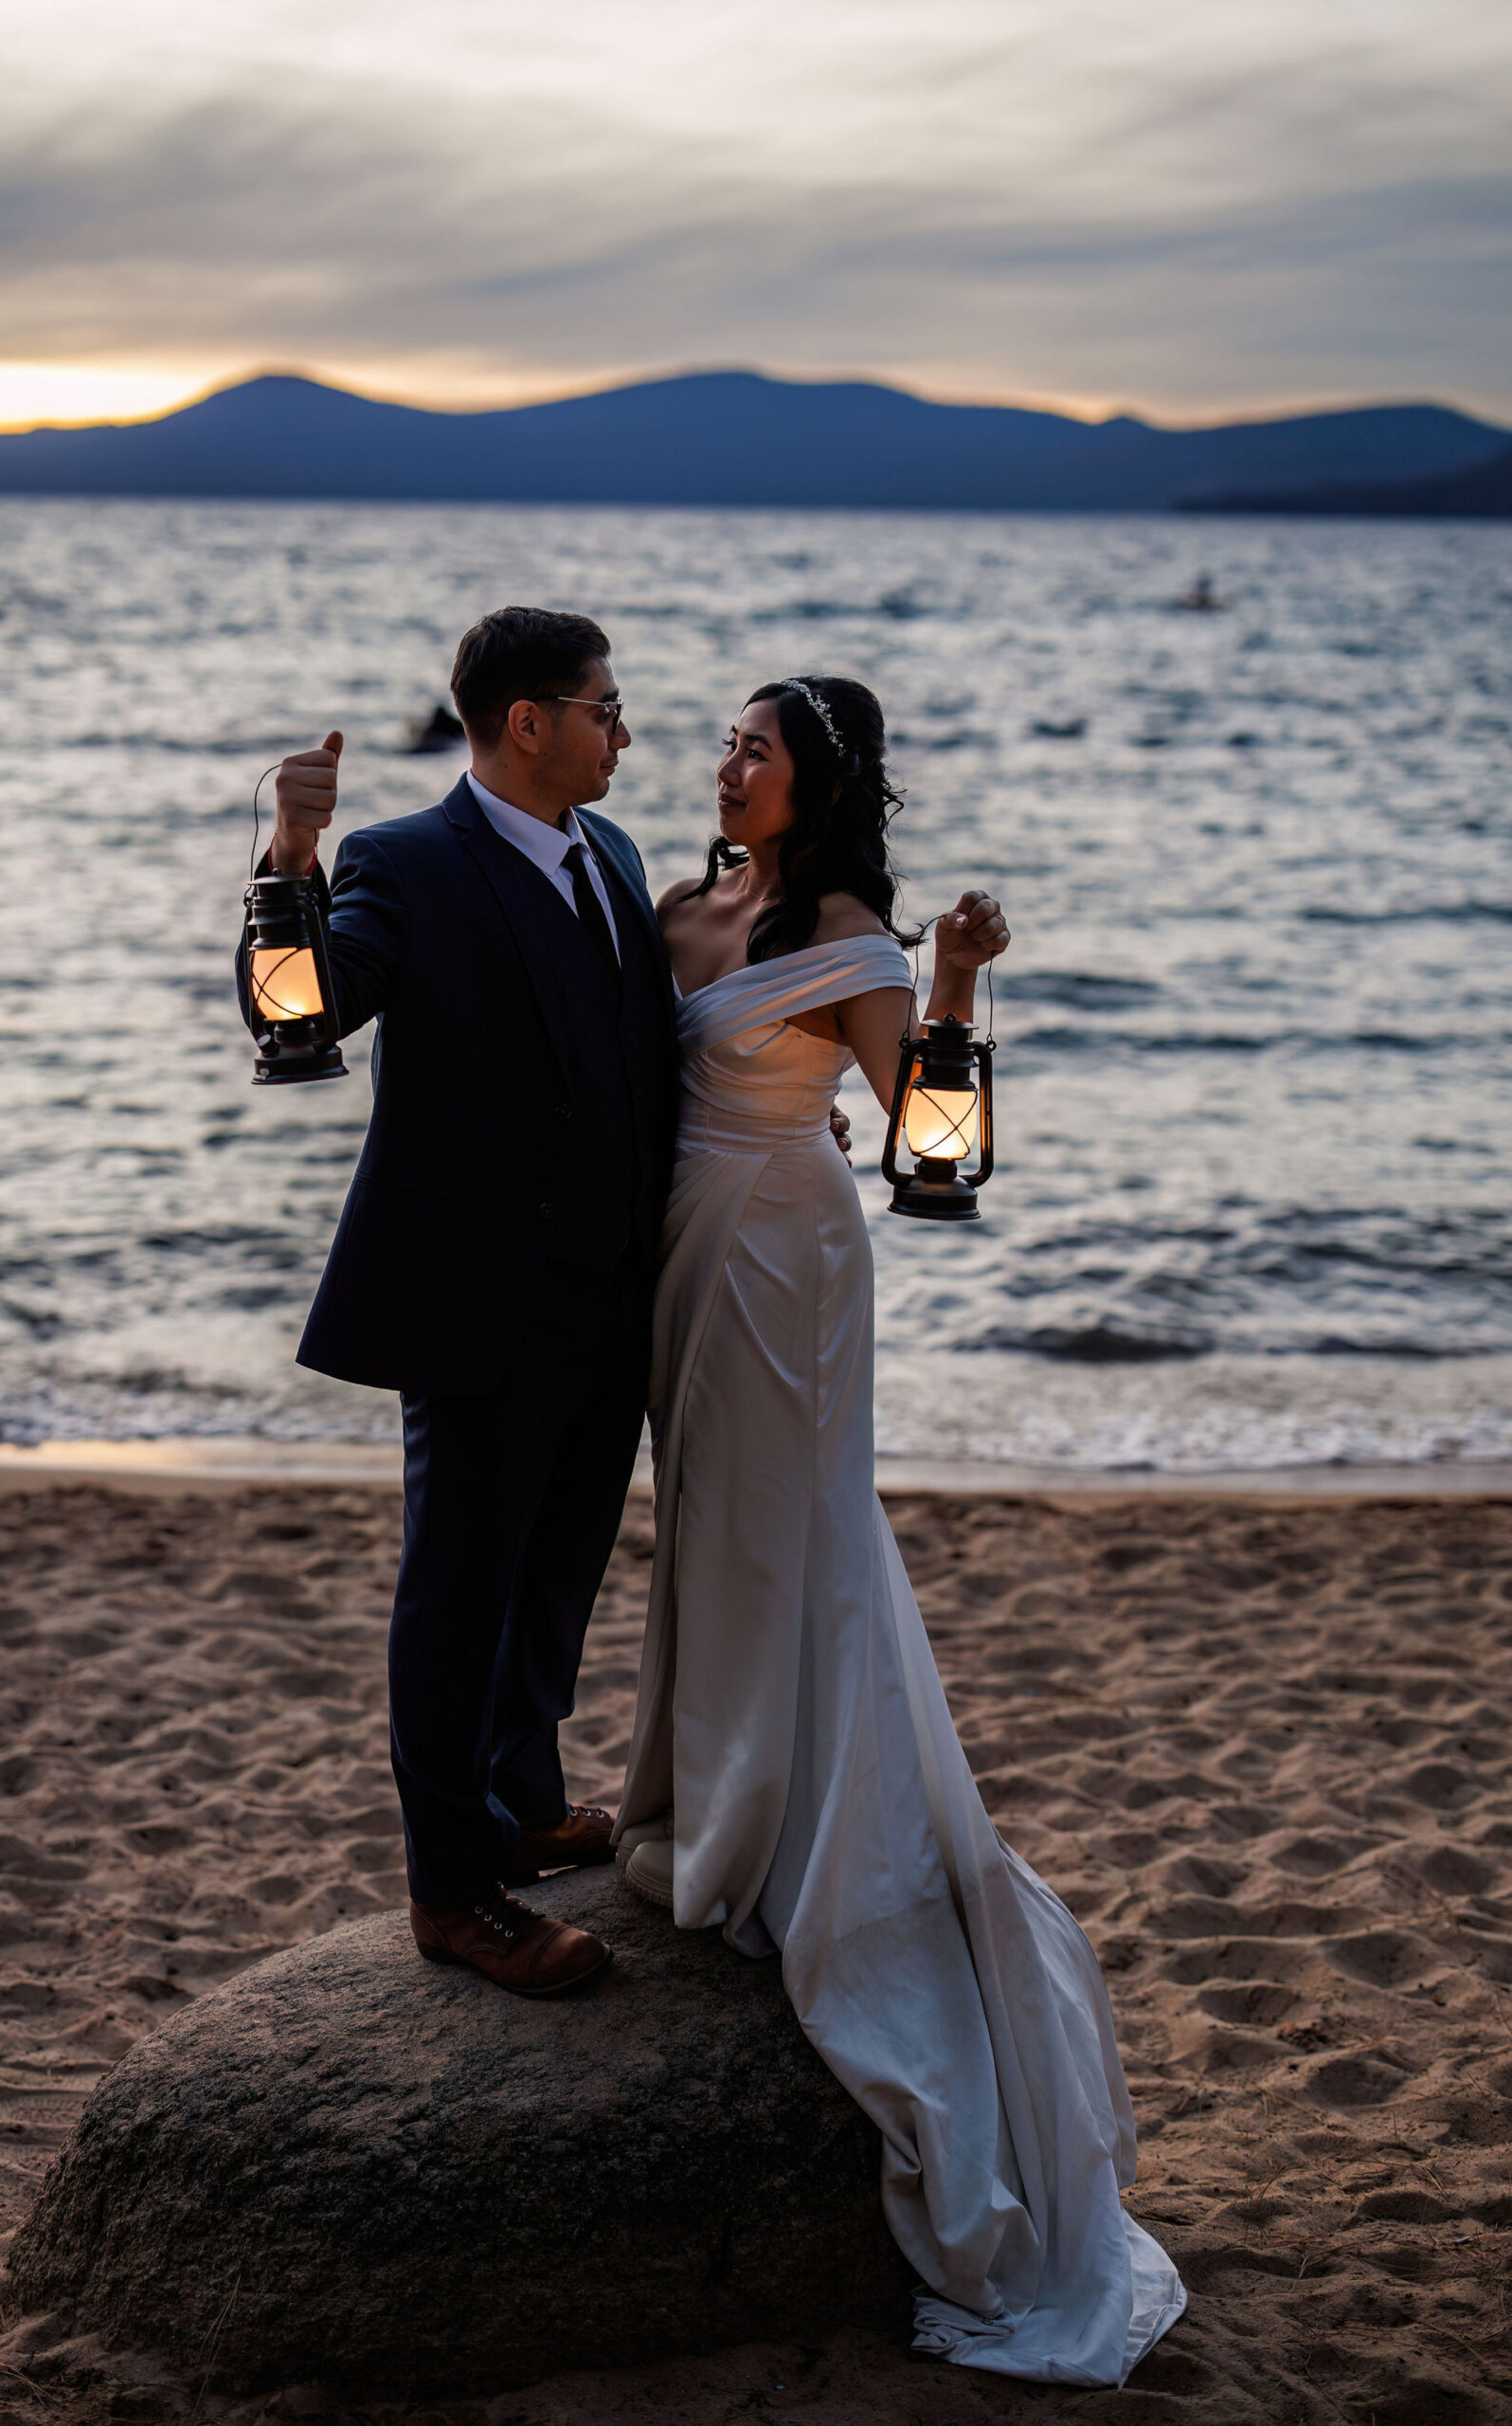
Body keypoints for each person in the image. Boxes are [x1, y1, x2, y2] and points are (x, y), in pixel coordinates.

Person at [612, 675, 1187, 2384]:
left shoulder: (850, 935)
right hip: (680, 1253)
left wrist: (947, 989)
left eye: (757, 747)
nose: (727, 764)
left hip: (791, 1255)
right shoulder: (675, 903)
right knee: (709, 1533)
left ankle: (775, 1833)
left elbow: (934, 1151)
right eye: (722, 740)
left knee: (795, 1547)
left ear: (821, 782)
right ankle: (702, 1790)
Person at [241, 606, 679, 1997]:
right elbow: (292, 1014)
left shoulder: (612, 851)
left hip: (614, 1296)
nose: (623, 730)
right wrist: (292, 857)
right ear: (531, 722)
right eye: (606, 707)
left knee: (558, 1574)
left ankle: (525, 1798)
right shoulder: (406, 863)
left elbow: (640, 1052)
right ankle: (452, 1892)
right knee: (459, 1596)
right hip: (479, 1305)